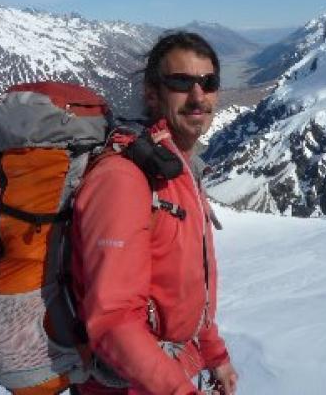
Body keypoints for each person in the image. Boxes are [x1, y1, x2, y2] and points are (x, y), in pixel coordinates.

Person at [71, 32, 238, 395]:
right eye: (181, 82)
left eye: (208, 83)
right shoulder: (123, 178)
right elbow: (113, 319)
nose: (198, 96)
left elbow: (186, 285)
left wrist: (214, 355)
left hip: (165, 376)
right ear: (151, 93)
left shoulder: (179, 171)